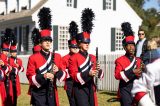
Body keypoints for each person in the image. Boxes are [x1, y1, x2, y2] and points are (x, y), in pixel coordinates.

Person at [26, 7, 66, 106]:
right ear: (40, 43)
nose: (48, 42)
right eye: (45, 40)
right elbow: (30, 77)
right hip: (39, 92)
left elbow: (64, 75)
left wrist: (57, 71)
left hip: (52, 91)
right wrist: (43, 76)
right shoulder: (33, 58)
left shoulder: (57, 56)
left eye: (50, 40)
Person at [69, 8, 104, 106]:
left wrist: (99, 70)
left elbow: (100, 75)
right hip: (79, 88)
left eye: (88, 42)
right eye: (85, 42)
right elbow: (73, 75)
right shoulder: (73, 58)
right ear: (79, 43)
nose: (87, 44)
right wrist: (88, 73)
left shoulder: (92, 57)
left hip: (91, 87)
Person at [114, 22, 142, 106]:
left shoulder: (138, 60)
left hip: (136, 88)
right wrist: (132, 72)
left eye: (132, 45)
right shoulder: (119, 60)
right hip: (125, 88)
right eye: (128, 45)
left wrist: (142, 72)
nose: (131, 47)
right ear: (124, 47)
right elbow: (117, 75)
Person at [62, 21, 79, 106]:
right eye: (73, 47)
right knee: (73, 102)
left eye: (77, 47)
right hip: (70, 83)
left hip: (80, 82)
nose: (76, 49)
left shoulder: (81, 57)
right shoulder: (65, 58)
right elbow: (63, 71)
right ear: (69, 47)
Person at [8, 35, 24, 106]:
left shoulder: (19, 60)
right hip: (10, 80)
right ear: (10, 53)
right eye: (13, 52)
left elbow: (22, 69)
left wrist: (19, 66)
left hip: (16, 80)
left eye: (15, 52)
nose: (14, 53)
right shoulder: (8, 60)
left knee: (16, 97)